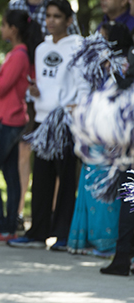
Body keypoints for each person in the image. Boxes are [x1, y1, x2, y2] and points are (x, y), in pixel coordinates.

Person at [8, 0, 87, 251]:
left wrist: (79, 107)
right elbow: (42, 82)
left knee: (65, 179)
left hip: (64, 121)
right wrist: (33, 92)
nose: (51, 21)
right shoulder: (41, 48)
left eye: (57, 16)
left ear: (69, 20)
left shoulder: (78, 46)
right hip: (42, 120)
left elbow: (83, 83)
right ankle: (37, 233)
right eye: (48, 16)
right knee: (41, 178)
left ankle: (64, 234)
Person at [66, 22, 131, 257]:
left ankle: (106, 242)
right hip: (109, 132)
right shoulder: (110, 64)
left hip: (109, 134)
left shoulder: (119, 65)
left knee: (104, 186)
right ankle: (107, 241)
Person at [0, 10, 38, 242]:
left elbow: (0, 87)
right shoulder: (18, 54)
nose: (1, 29)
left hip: (6, 122)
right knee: (11, 175)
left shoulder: (19, 55)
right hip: (11, 120)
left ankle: (2, 226)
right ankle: (10, 227)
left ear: (14, 29)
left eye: (3, 25)